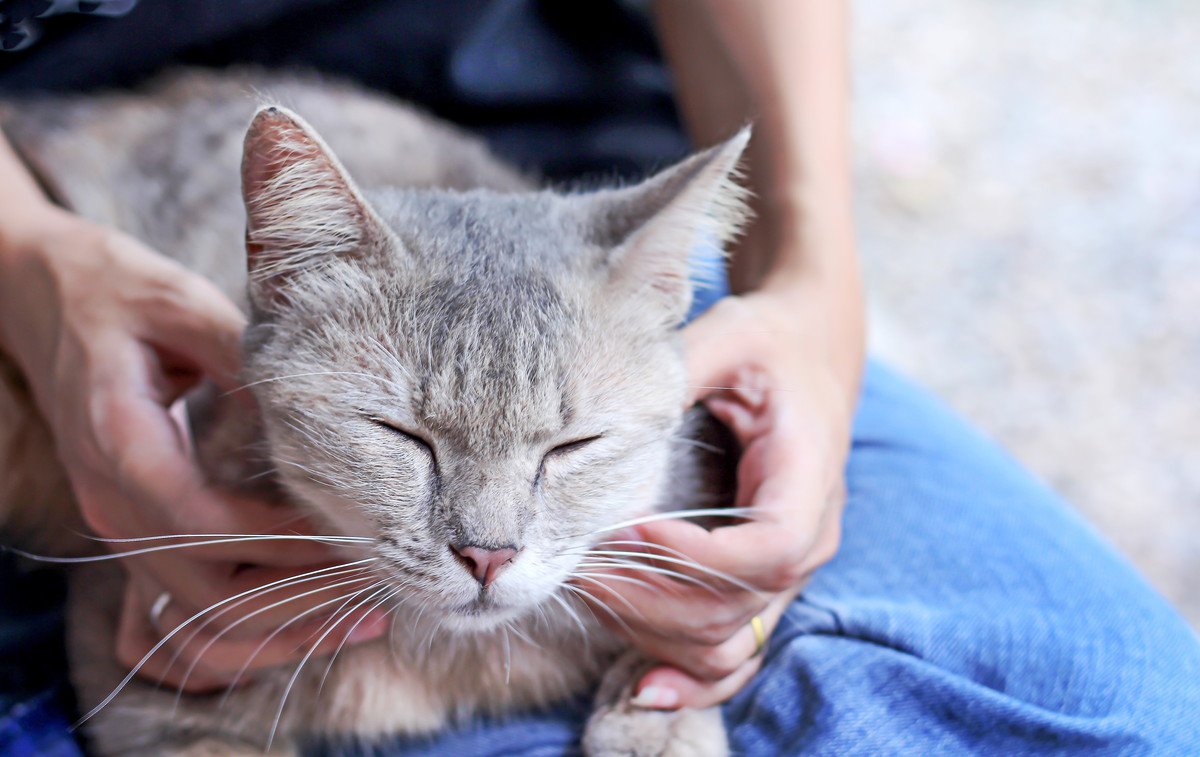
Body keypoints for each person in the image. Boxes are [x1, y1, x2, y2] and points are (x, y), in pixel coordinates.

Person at [1, 1, 1197, 754]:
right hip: (67, 240)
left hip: (593, 218)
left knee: (1121, 709)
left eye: (568, 456)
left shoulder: (640, 366)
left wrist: (815, 275)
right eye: (405, 443)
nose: (489, 538)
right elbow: (152, 693)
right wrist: (30, 257)